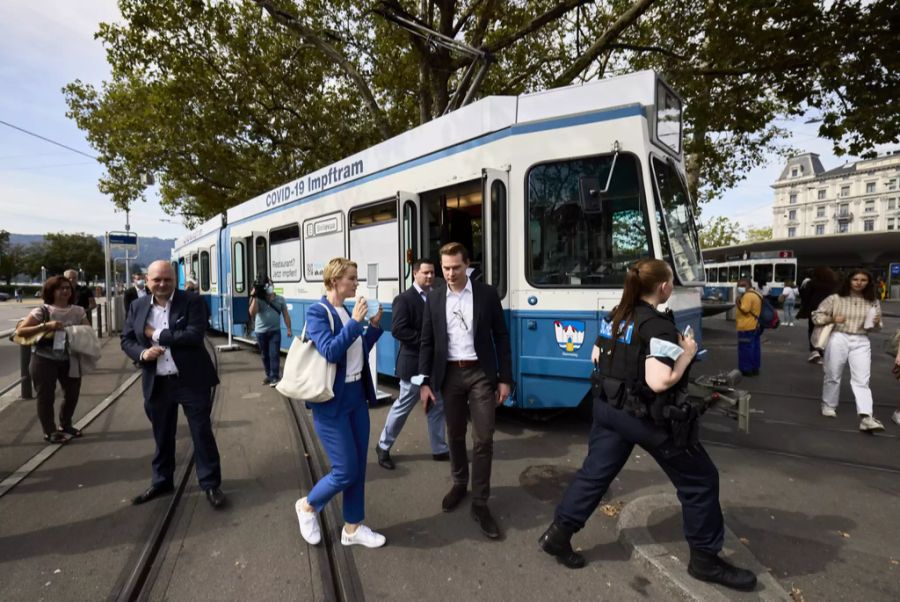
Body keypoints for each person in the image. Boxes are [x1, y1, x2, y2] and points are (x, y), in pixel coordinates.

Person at [538, 259, 756, 591]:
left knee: (595, 474)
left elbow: (596, 358)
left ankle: (559, 533)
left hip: (608, 410)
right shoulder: (657, 326)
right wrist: (686, 353)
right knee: (700, 480)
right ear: (663, 287)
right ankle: (705, 561)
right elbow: (659, 381)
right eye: (670, 281)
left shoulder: (616, 316)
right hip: (645, 417)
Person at [418, 242, 513, 540]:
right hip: (450, 375)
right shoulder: (434, 298)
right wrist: (424, 382)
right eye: (445, 268)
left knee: (483, 437)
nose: (449, 273)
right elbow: (427, 342)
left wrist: (505, 378)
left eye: (455, 267)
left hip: (480, 374)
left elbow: (501, 335)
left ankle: (481, 502)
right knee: (455, 434)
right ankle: (460, 483)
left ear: (467, 264)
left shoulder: (486, 294)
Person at [295, 258, 387, 549]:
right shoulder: (318, 312)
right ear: (335, 281)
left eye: (356, 278)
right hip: (332, 403)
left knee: (358, 466)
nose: (356, 283)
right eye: (352, 278)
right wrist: (357, 323)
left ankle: (352, 527)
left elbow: (355, 352)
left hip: (356, 397)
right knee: (345, 470)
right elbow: (331, 352)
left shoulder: (346, 312)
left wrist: (370, 328)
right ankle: (308, 506)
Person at [121, 261, 225, 508]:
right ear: (147, 281)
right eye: (157, 279)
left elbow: (193, 335)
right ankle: (162, 481)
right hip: (157, 382)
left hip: (191, 381)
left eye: (167, 279)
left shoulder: (192, 301)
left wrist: (154, 334)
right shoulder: (137, 306)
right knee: (162, 435)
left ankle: (211, 484)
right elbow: (126, 339)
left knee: (202, 434)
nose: (162, 284)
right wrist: (142, 354)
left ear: (174, 280)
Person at [375, 259, 449, 470]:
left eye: (432, 272)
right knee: (403, 406)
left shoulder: (437, 295)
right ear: (414, 273)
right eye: (425, 273)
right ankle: (383, 445)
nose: (429, 276)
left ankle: (439, 448)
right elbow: (399, 330)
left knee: (437, 406)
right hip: (413, 364)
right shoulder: (404, 299)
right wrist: (427, 341)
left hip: (434, 365)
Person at [15, 276, 91, 443]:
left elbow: (87, 330)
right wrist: (45, 326)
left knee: (72, 394)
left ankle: (66, 424)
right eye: (61, 288)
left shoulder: (78, 310)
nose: (65, 291)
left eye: (68, 288)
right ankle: (50, 431)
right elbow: (21, 331)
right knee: (46, 397)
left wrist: (75, 330)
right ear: (51, 291)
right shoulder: (42, 311)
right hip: (44, 359)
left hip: (70, 358)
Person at [812, 269, 884, 432]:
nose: (859, 283)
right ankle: (829, 404)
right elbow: (816, 316)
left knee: (862, 378)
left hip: (861, 340)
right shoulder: (835, 298)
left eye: (863, 280)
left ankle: (866, 416)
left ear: (868, 282)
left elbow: (876, 328)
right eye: (855, 279)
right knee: (833, 373)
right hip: (838, 337)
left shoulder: (872, 301)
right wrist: (832, 318)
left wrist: (877, 323)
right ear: (849, 281)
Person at [249, 278, 293, 386]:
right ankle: (269, 375)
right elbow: (252, 312)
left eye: (270, 285)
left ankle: (275, 376)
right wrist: (254, 296)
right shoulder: (259, 299)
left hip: (275, 331)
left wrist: (288, 328)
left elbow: (286, 315)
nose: (269, 287)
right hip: (261, 332)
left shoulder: (280, 299)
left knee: (274, 353)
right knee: (265, 355)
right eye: (267, 285)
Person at [799, 267, 838, 364]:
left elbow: (805, 296)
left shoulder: (812, 283)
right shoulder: (834, 284)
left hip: (814, 309)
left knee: (812, 329)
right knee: (826, 330)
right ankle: (823, 350)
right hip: (829, 309)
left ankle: (814, 351)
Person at [734, 278, 762, 377]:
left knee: (745, 349)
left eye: (742, 285)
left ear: (748, 285)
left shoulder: (747, 296)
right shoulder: (757, 294)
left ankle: (746, 370)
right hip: (755, 325)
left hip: (746, 326)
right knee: (755, 348)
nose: (740, 288)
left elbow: (745, 309)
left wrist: (738, 302)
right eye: (739, 285)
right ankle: (755, 368)